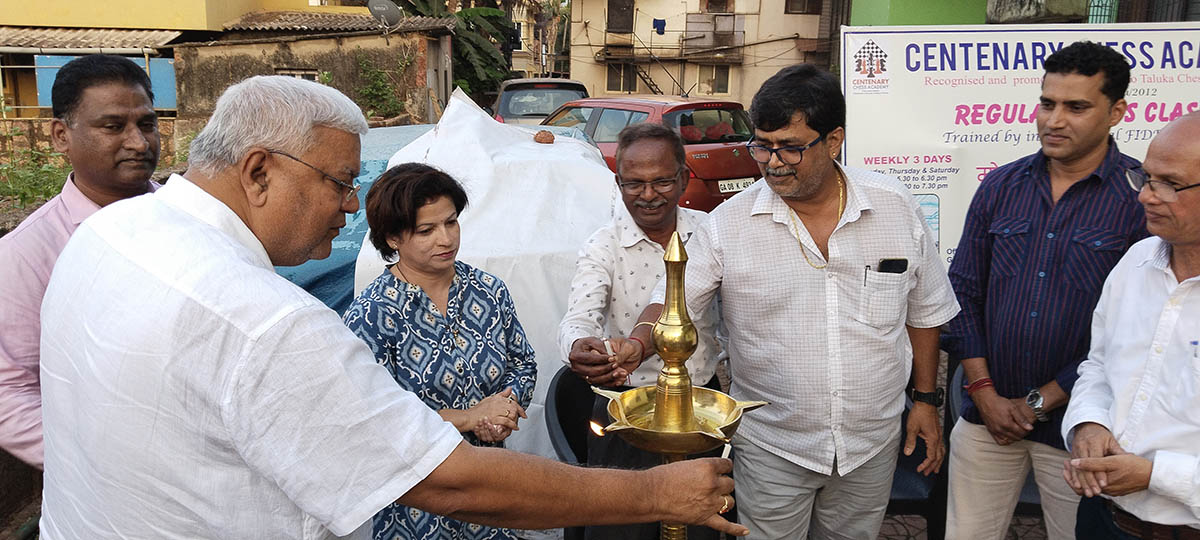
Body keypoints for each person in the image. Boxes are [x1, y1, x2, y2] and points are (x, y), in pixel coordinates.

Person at [36, 75, 747, 539]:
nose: (350, 206)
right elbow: (449, 481)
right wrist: (650, 495)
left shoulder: (110, 234)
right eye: (342, 182)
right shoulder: (261, 319)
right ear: (259, 171)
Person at [619, 64, 960, 539]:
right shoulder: (730, 225)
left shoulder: (894, 206)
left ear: (834, 140)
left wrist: (924, 401)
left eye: (791, 147)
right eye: (762, 145)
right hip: (773, 447)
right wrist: (637, 346)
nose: (773, 162)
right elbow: (673, 300)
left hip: (871, 443)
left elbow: (924, 312)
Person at [940, 40, 1147, 540]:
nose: (1054, 120)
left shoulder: (1139, 198)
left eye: (1076, 107)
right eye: (1047, 103)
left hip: (1083, 428)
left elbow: (1134, 327)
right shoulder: (1001, 186)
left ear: (1117, 111)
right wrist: (984, 391)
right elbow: (963, 293)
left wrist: (1040, 401)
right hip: (986, 416)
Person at [344, 163, 537, 540]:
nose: (446, 239)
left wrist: (502, 411)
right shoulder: (372, 314)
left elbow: (523, 362)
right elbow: (372, 419)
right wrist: (468, 418)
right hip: (418, 504)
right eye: (426, 230)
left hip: (492, 487)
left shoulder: (487, 290)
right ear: (393, 238)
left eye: (451, 223)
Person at [558, 122, 723, 540]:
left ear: (684, 177)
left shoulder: (711, 234)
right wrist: (581, 347)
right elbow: (579, 315)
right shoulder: (604, 245)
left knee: (698, 530)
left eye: (662, 181)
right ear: (618, 183)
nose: (648, 195)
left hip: (697, 414)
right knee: (621, 532)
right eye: (634, 184)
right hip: (625, 414)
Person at [0, 54, 159, 469]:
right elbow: (10, 390)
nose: (139, 143)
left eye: (146, 124)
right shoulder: (29, 252)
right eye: (112, 126)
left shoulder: (196, 218)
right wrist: (95, 469)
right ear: (60, 136)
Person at [1062, 112, 1200, 539]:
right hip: (1105, 519)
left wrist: (1154, 475)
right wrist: (1088, 424)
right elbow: (1100, 365)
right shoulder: (1134, 263)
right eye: (1145, 177)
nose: (1146, 196)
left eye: (1169, 184)